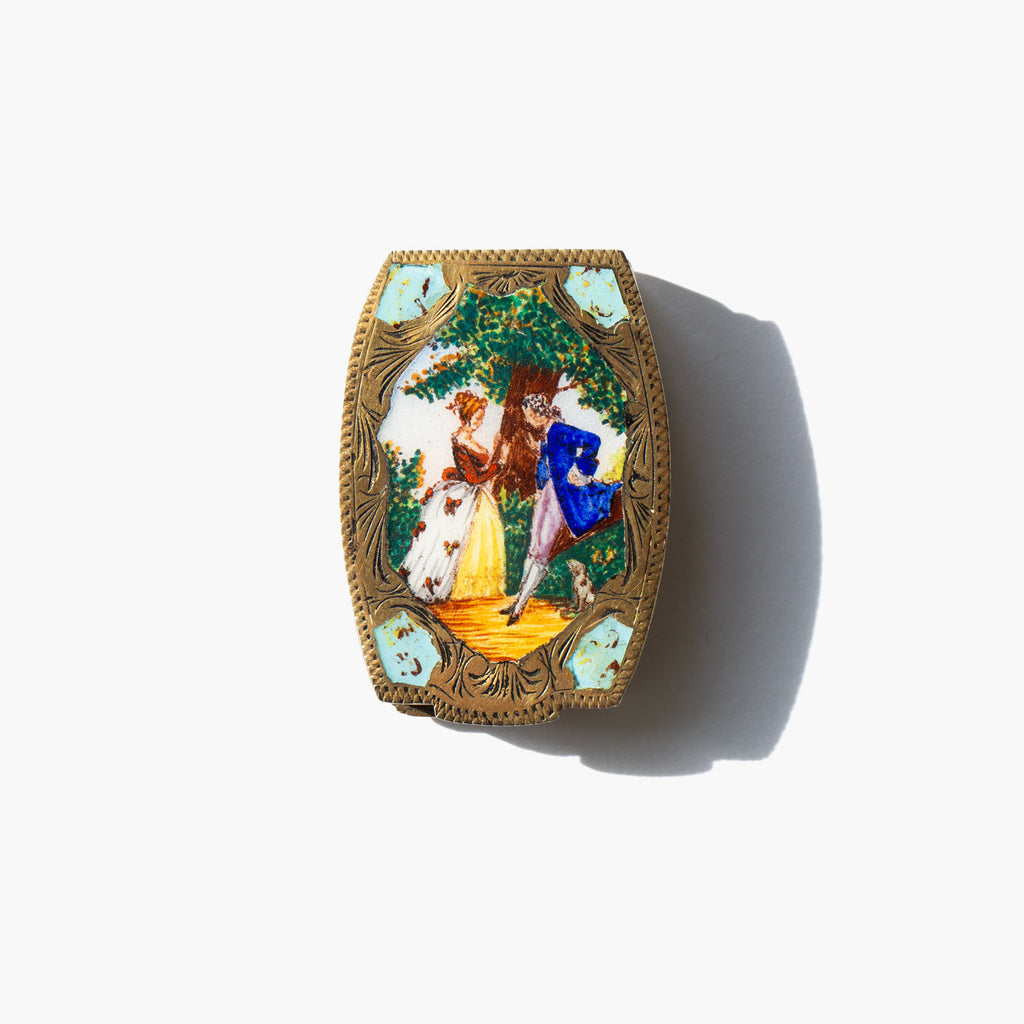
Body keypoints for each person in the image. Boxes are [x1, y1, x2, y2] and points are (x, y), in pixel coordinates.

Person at [503, 394, 622, 624]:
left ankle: (519, 607)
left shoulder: (559, 431)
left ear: (536, 414)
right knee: (534, 547)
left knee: (542, 550)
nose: (527, 419)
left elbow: (593, 440)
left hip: (563, 497)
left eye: (528, 415)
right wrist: (540, 488)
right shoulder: (547, 435)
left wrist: (579, 471)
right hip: (549, 494)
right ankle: (518, 601)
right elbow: (544, 464)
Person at [400, 391, 506, 603]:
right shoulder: (461, 439)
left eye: (482, 418)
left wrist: (495, 450)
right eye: (477, 418)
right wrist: (499, 465)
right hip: (467, 494)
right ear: (467, 416)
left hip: (472, 490)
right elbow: (474, 478)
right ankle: (459, 591)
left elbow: (474, 469)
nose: (480, 422)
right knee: (459, 539)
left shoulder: (467, 437)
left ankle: (478, 590)